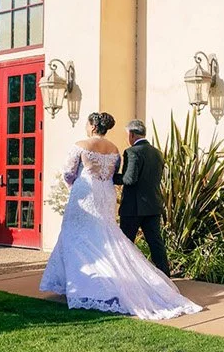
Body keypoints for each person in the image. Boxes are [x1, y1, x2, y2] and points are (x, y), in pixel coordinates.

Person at [40, 112, 200, 321]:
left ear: (92, 126)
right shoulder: (116, 150)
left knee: (76, 236)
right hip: (106, 194)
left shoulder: (81, 144)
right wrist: (103, 179)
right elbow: (113, 172)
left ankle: (84, 285)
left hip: (87, 192)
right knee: (106, 236)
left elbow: (69, 171)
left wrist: (79, 182)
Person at [118, 119, 170, 275]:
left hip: (133, 208)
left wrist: (108, 177)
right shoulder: (157, 152)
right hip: (153, 205)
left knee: (126, 244)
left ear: (132, 134)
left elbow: (129, 179)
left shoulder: (132, 152)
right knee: (156, 244)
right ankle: (166, 277)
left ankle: (125, 277)